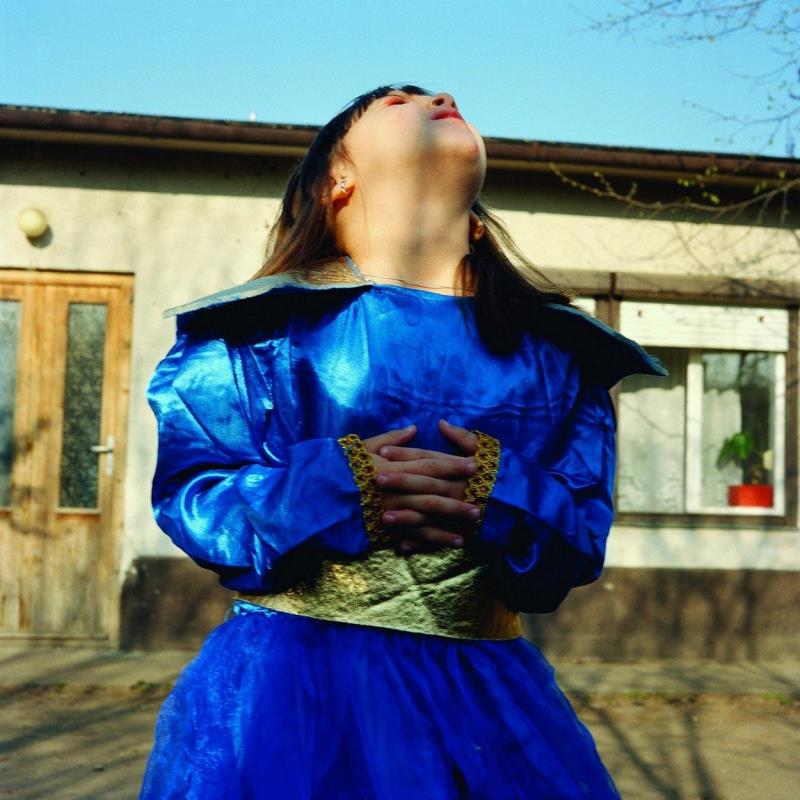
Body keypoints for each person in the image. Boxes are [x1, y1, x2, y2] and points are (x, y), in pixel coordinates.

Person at [139, 84, 666, 799]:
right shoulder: (255, 332)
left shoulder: (563, 357)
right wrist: (334, 484)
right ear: (336, 179)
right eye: (396, 100)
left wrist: (505, 493)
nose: (442, 96)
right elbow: (196, 497)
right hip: (292, 700)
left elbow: (573, 550)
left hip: (488, 707)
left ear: (477, 222)